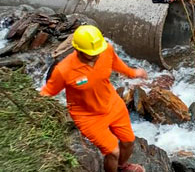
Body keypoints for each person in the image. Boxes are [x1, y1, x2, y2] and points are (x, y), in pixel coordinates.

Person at [41, 25, 148, 172]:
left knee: (128, 141)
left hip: (113, 104)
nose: (97, 55)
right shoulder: (63, 70)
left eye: (99, 51)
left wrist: (133, 72)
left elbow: (117, 64)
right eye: (92, 54)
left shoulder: (106, 50)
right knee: (113, 151)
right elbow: (47, 92)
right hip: (88, 117)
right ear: (78, 50)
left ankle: (122, 166)